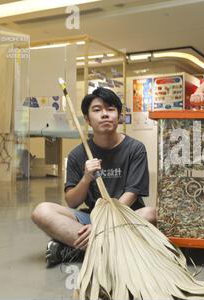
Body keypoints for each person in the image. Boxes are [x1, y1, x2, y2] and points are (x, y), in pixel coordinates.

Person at [31, 88, 156, 267]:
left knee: (150, 214)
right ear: (88, 120)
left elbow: (132, 194)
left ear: (119, 116)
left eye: (111, 109)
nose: (105, 114)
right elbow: (72, 202)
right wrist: (86, 178)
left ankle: (76, 249)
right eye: (97, 110)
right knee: (41, 211)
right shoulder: (77, 154)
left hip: (126, 216)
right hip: (92, 217)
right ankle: (109, 246)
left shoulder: (135, 149)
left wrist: (103, 225)